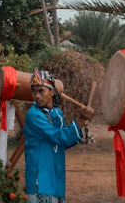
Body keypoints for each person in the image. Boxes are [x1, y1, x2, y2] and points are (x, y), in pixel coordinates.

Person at [24, 69, 94, 203]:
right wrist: (80, 120)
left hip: (56, 175)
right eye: (34, 91)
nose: (37, 96)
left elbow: (62, 143)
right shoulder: (34, 116)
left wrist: (81, 122)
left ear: (51, 91)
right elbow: (58, 136)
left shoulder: (57, 113)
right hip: (41, 177)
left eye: (41, 91)